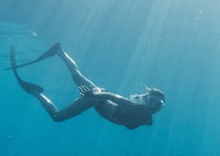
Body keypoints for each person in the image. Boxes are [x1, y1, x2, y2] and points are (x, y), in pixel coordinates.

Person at [10, 43, 165, 130]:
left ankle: (59, 51)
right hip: (96, 99)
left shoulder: (147, 120)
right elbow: (111, 96)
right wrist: (92, 95)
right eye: (153, 101)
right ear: (146, 100)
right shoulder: (132, 106)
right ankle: (36, 92)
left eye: (159, 105)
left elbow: (136, 121)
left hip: (98, 97)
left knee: (77, 76)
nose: (156, 107)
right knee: (57, 117)